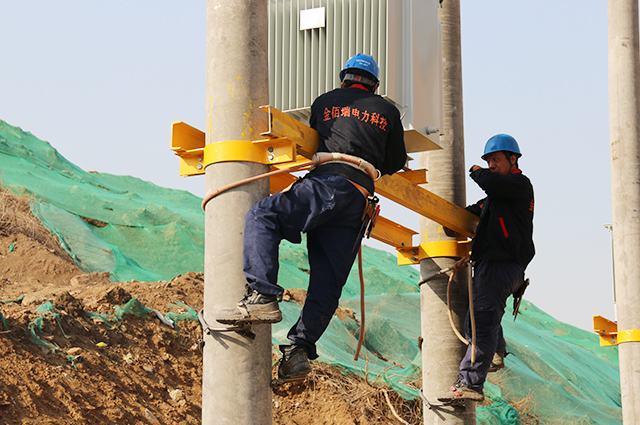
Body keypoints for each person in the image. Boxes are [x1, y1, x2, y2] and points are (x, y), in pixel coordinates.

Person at [216, 53, 407, 382]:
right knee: (327, 283)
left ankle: (262, 294)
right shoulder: (388, 111)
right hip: (358, 198)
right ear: (374, 85)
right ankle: (298, 350)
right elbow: (395, 160)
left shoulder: (325, 102)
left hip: (328, 183)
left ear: (344, 78)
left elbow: (317, 135)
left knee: (264, 216)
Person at [438, 134, 535, 402]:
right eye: (488, 161)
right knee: (478, 321)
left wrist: (476, 171)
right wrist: (450, 221)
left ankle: (470, 384)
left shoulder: (518, 184)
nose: (491, 165)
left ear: (512, 160)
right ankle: (496, 353)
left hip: (499, 267)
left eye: (496, 160)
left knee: (480, 324)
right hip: (495, 267)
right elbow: (476, 210)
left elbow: (490, 183)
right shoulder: (496, 200)